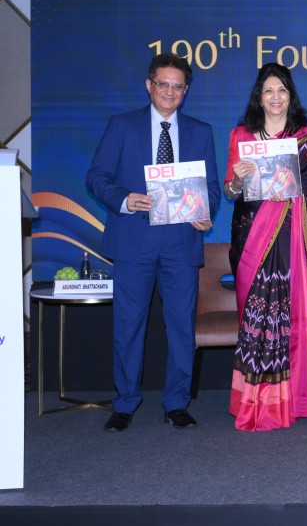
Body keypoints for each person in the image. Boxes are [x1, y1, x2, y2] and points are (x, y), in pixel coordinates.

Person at [86, 53, 220, 432]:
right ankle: (125, 403)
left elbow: (211, 189)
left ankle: (177, 403)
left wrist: (204, 210)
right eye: (163, 84)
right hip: (133, 242)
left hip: (181, 243)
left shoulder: (200, 132)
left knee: (181, 328)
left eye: (178, 86)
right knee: (128, 326)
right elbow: (96, 176)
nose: (170, 92)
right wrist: (125, 199)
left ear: (185, 91)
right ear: (149, 85)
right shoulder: (122, 126)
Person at [224, 63, 307, 431]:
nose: (275, 97)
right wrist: (237, 180)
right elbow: (230, 192)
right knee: (256, 318)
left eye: (282, 90)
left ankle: (295, 398)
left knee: (293, 319)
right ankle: (255, 401)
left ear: (290, 95)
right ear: (259, 95)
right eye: (268, 90)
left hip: (295, 240)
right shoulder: (241, 135)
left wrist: (296, 192)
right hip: (252, 239)